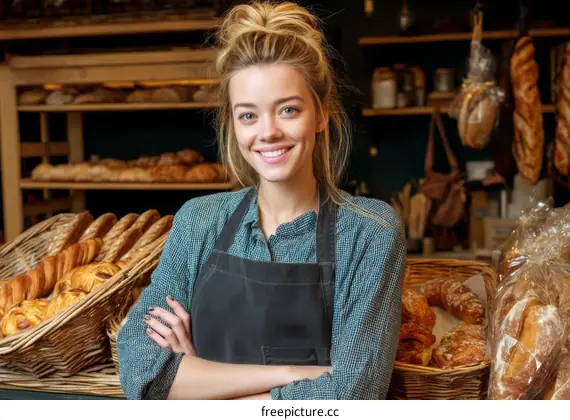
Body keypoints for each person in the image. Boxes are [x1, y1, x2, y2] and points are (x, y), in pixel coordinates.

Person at [116, 0, 407, 400]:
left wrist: (197, 381)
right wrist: (294, 373)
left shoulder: (369, 233)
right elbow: (139, 366)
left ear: (322, 114)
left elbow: (350, 397)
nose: (267, 132)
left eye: (287, 109)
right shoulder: (199, 221)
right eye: (248, 115)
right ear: (233, 124)